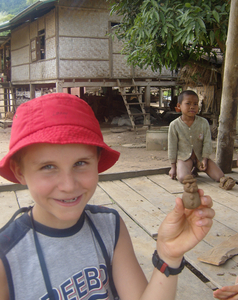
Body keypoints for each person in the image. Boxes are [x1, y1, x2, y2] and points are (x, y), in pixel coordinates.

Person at [0, 93, 215, 300]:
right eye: (48, 167)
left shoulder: (110, 228)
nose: (68, 185)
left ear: (97, 161)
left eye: (80, 163)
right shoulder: (6, 256)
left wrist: (169, 256)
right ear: (20, 172)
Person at [168, 90, 235, 190]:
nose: (192, 107)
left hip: (200, 157)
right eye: (188, 103)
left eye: (195, 104)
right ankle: (191, 171)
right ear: (179, 106)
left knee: (219, 175)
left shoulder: (203, 122)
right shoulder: (174, 125)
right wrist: (173, 167)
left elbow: (207, 142)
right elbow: (172, 147)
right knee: (182, 178)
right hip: (185, 158)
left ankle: (199, 170)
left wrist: (205, 159)